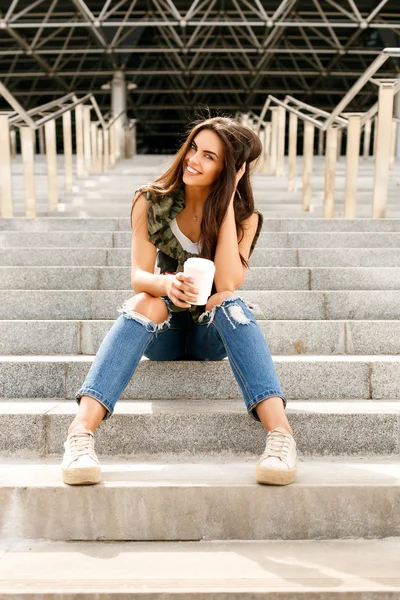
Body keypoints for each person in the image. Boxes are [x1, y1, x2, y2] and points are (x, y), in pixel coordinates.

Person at [61, 116, 298, 487]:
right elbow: (139, 274)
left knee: (228, 300)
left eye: (209, 156)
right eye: (193, 148)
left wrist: (226, 207)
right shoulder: (150, 200)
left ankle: (281, 436)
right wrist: (166, 285)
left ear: (229, 170)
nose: (193, 160)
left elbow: (230, 280)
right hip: (164, 331)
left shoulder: (244, 218)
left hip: (210, 334)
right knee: (145, 299)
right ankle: (79, 434)